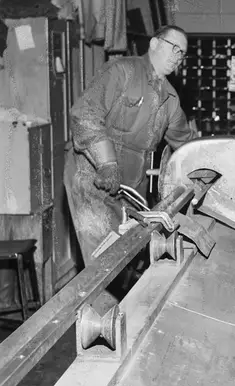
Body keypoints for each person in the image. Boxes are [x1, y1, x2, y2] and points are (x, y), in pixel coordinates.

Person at [64, 25, 195, 280]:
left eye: (182, 53)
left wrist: (212, 162)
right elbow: (84, 115)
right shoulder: (122, 71)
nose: (178, 56)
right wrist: (107, 163)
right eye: (174, 48)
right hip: (93, 180)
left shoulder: (170, 99)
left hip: (130, 190)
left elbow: (186, 143)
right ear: (154, 43)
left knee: (128, 261)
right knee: (103, 265)